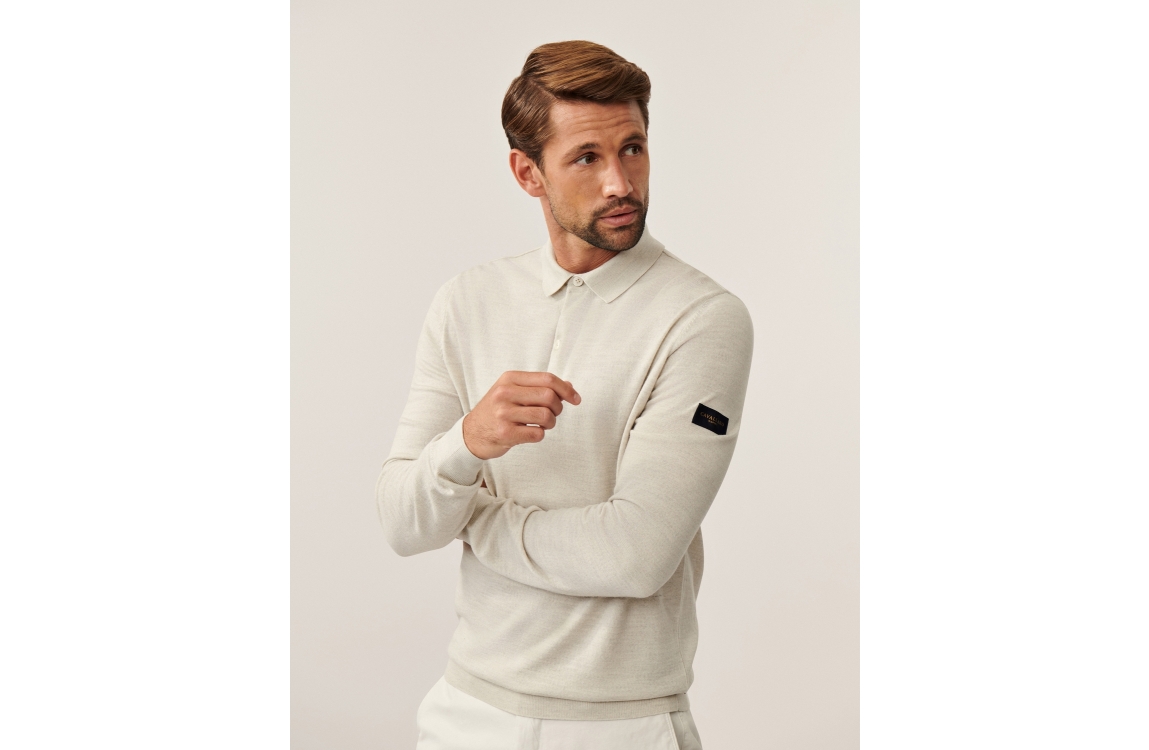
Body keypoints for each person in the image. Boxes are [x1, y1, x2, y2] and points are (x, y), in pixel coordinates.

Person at [377, 40, 754, 750]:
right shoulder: (467, 302)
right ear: (528, 172)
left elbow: (634, 554)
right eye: (586, 157)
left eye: (633, 148)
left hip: (622, 725)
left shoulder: (702, 318)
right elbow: (401, 522)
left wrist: (472, 518)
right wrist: (466, 444)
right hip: (466, 715)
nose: (620, 182)